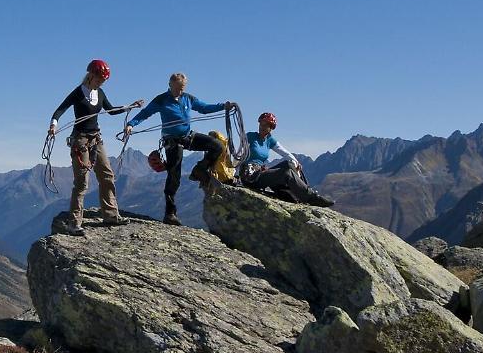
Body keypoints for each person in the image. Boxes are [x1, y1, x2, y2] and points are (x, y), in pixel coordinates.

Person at [125, 73, 235, 225]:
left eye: (182, 88)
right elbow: (146, 113)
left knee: (218, 146)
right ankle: (170, 213)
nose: (179, 91)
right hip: (171, 140)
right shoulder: (161, 99)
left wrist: (223, 106)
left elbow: (203, 108)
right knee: (174, 172)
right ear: (170, 85)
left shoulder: (188, 98)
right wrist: (131, 124)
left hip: (187, 136)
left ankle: (199, 170)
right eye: (177, 88)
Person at [48, 59, 143, 236]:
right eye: (100, 79)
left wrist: (130, 106)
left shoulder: (100, 93)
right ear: (91, 75)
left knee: (107, 176)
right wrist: (53, 125)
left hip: (96, 139)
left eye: (103, 81)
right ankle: (74, 223)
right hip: (81, 140)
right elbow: (60, 110)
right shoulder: (78, 93)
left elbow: (111, 110)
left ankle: (111, 215)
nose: (101, 82)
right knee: (82, 182)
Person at [241, 111, 334, 207]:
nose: (262, 126)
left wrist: (296, 163)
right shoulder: (250, 136)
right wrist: (234, 174)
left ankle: (304, 191)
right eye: (261, 123)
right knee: (286, 172)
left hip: (260, 172)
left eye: (266, 125)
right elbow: (239, 153)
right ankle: (311, 198)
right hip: (250, 176)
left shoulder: (270, 140)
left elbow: (284, 152)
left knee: (289, 164)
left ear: (271, 128)